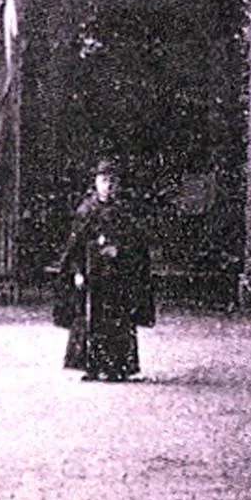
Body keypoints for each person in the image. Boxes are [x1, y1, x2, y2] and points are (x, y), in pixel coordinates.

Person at [54, 159, 154, 381]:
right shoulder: (86, 210)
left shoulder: (124, 212)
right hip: (92, 274)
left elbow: (136, 243)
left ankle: (117, 367)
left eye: (112, 181)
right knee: (90, 319)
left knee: (117, 320)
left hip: (117, 275)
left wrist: (119, 251)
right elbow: (75, 246)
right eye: (104, 180)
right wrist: (77, 271)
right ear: (96, 183)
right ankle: (90, 365)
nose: (108, 186)